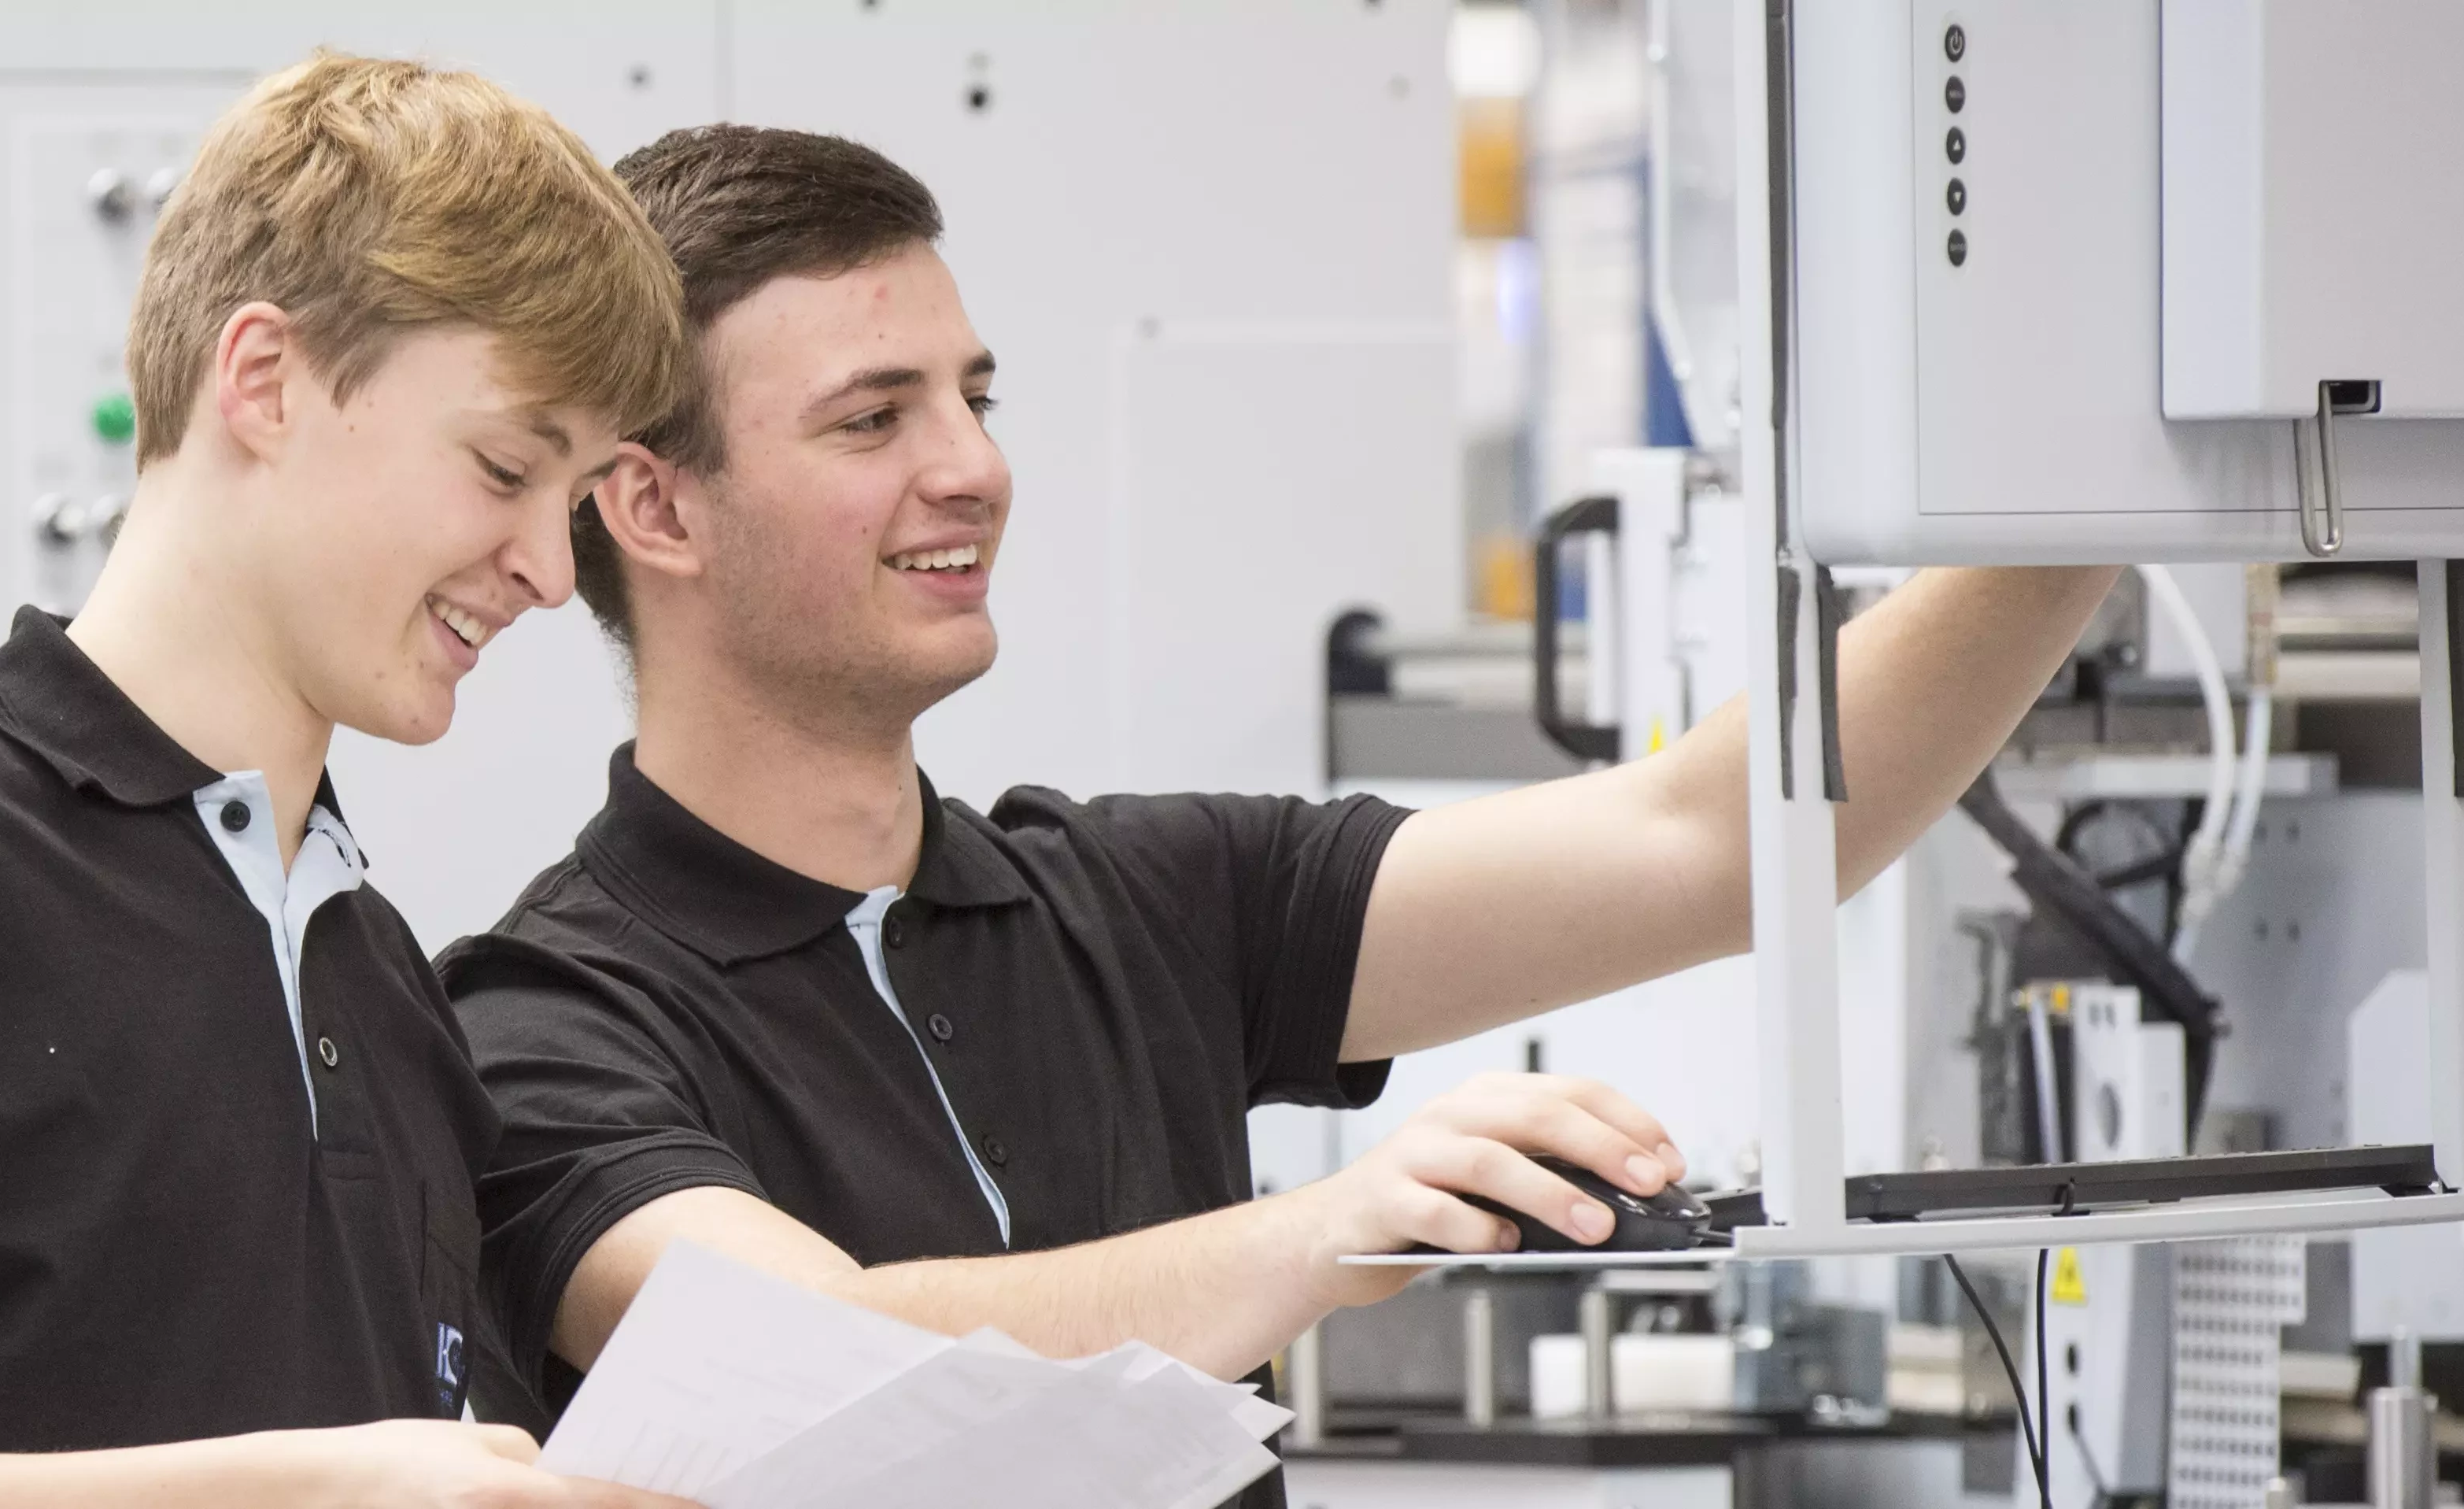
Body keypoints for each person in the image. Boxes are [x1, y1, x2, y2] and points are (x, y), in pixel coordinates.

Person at [441, 124, 2119, 1497]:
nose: (972, 465)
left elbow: (1720, 837)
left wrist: (2091, 490)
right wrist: (1322, 1230)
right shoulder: (540, 1020)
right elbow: (828, 1369)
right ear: (652, 506)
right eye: (877, 418)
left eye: (975, 396)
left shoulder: (1152, 895)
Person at [0, 55, 697, 1509]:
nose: (552, 577)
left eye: (569, 511)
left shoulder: (377, 978)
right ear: (262, 380)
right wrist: (317, 1490)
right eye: (505, 469)